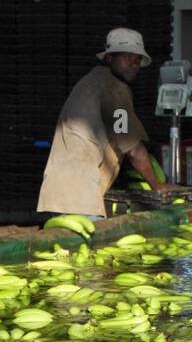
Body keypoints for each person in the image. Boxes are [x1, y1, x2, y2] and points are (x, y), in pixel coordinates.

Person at [38, 28, 174, 219]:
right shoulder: (114, 89)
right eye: (127, 58)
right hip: (81, 193)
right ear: (110, 58)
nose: (133, 65)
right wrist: (157, 185)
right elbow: (131, 146)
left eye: (137, 60)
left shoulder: (93, 80)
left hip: (59, 189)